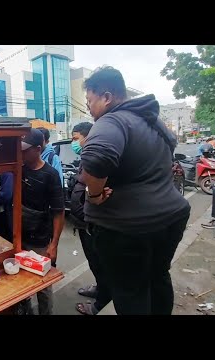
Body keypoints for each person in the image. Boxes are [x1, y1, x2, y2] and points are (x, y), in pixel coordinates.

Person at [80, 66, 190, 315]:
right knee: (158, 277)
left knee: (131, 290)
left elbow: (95, 160)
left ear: (106, 97)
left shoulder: (111, 121)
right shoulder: (153, 122)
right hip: (170, 217)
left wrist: (95, 195)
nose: (88, 107)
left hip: (128, 229)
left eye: (90, 100)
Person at [20, 128, 65, 315]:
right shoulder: (19, 169)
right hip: (19, 235)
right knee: (21, 280)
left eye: (25, 150)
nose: (21, 153)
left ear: (38, 149)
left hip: (40, 238)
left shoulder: (51, 175)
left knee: (42, 283)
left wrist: (53, 244)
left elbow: (59, 212)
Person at [69, 122, 112, 315]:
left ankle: (101, 303)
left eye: (76, 138)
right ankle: (99, 289)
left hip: (96, 225)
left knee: (102, 264)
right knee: (94, 263)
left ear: (88, 137)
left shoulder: (100, 159)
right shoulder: (84, 159)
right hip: (84, 223)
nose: (73, 143)